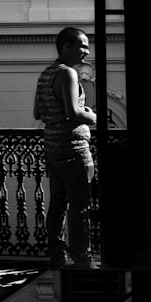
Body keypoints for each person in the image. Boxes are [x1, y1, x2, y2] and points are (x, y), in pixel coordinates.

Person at [33, 27, 98, 269]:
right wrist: (92, 117)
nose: (87, 51)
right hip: (73, 147)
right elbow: (73, 111)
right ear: (66, 47)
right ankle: (82, 257)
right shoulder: (68, 74)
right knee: (80, 203)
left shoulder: (46, 74)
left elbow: (37, 112)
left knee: (58, 201)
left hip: (52, 146)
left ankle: (57, 254)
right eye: (82, 45)